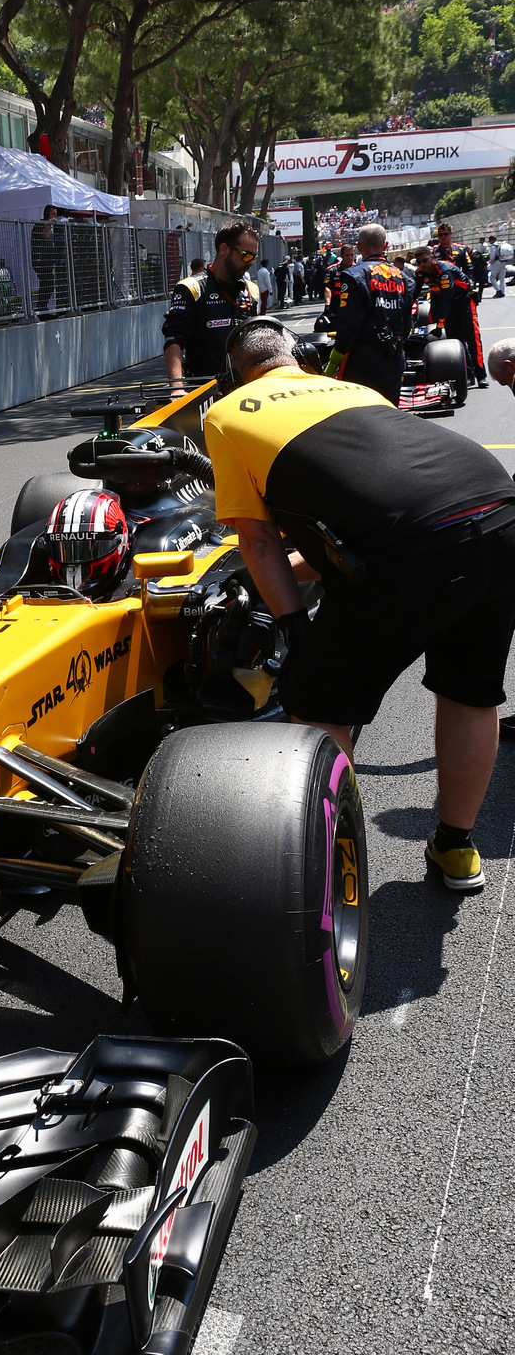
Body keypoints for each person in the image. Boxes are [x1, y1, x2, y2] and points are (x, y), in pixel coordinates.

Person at [206, 318, 515, 892]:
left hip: (418, 542)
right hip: (496, 507)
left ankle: (335, 868)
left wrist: (295, 626)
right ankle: (455, 849)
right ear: (296, 359)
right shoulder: (355, 389)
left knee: (318, 699)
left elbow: (257, 540)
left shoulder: (225, 415)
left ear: (235, 373)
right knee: (472, 691)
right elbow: (371, 502)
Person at [163, 219, 261, 388]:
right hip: (205, 391)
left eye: (254, 257)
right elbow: (173, 340)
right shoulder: (192, 288)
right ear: (224, 249)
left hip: (245, 389)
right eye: (246, 255)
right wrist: (177, 388)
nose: (251, 262)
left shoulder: (251, 291)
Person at [324, 223, 411, 404]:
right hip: (394, 356)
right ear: (385, 246)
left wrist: (336, 358)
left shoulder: (354, 275)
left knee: (363, 414)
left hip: (363, 359)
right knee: (390, 411)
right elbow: (407, 322)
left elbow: (349, 323)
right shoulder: (404, 279)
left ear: (358, 247)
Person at [415, 245, 487, 386]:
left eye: (424, 261)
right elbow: (414, 292)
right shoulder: (420, 272)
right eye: (419, 262)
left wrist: (440, 323)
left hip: (464, 301)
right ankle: (468, 375)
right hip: (447, 303)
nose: (422, 265)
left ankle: (481, 375)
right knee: (456, 341)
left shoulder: (445, 271)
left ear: (432, 258)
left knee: (472, 338)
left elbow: (446, 299)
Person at [30, 205, 59, 315]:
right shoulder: (40, 225)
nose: (55, 216)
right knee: (47, 283)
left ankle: (43, 308)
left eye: (56, 214)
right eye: (53, 214)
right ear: (47, 214)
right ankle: (41, 308)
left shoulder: (50, 226)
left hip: (48, 260)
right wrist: (49, 223)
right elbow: (45, 236)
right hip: (40, 260)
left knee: (49, 284)